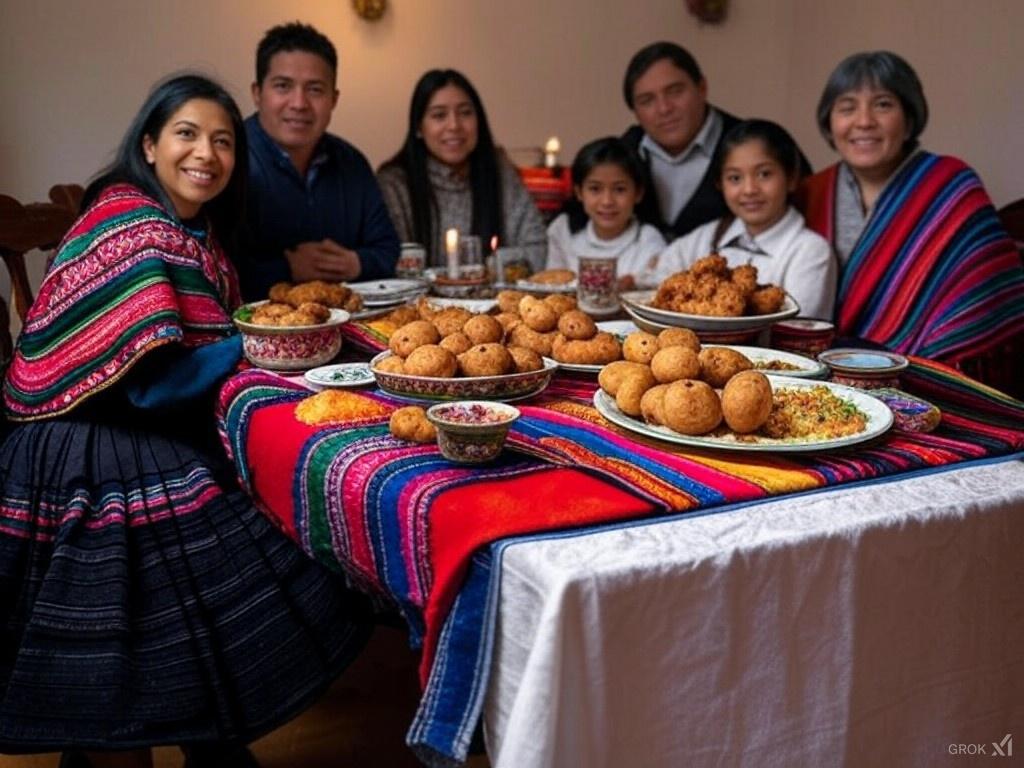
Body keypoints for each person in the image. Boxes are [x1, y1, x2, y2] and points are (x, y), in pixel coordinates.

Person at [0, 74, 372, 767]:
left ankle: (201, 738)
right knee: (196, 533)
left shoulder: (191, 233)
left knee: (216, 531)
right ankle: (174, 742)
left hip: (141, 432)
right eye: (187, 134)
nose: (207, 153)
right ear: (149, 143)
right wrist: (261, 344)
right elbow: (147, 385)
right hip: (84, 445)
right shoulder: (129, 223)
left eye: (224, 140)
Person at [799, 51, 1024, 381]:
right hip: (820, 372)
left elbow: (985, 293)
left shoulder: (951, 184)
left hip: (927, 376)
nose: (864, 121)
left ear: (909, 117)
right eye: (847, 107)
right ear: (830, 123)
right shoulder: (810, 191)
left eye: (883, 105)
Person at [236, 22, 399, 300]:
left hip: (348, 327)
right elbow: (216, 269)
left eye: (315, 89)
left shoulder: (352, 162)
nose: (299, 103)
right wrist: (287, 268)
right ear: (257, 93)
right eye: (283, 86)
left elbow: (388, 249)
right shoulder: (230, 158)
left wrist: (355, 263)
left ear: (334, 99)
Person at [616, 42, 811, 243]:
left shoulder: (759, 143)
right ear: (635, 112)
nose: (664, 108)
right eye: (647, 101)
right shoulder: (621, 155)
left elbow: (807, 218)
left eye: (675, 91)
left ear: (702, 88)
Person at [658, 120, 837, 319]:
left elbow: (801, 327)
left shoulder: (810, 250)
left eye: (764, 174)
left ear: (792, 177)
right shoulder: (712, 235)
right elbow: (661, 277)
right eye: (735, 178)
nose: (750, 189)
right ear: (720, 184)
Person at [376, 69, 547, 272]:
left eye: (465, 113)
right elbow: (392, 262)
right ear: (418, 128)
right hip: (417, 303)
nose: (454, 125)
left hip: (493, 299)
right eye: (439, 115)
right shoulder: (395, 183)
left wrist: (490, 269)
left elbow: (537, 248)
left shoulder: (499, 171)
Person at [546, 137, 665, 289]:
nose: (607, 201)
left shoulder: (648, 240)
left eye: (619, 189)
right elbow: (550, 287)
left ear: (638, 193)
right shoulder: (562, 230)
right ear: (579, 192)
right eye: (595, 189)